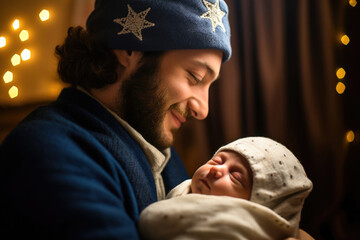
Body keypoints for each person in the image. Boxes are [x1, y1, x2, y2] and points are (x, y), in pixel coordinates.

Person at [0, 0, 231, 239]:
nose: (202, 110)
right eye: (195, 76)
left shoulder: (163, 157)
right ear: (130, 50)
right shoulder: (46, 150)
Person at [139, 137, 313, 240]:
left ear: (257, 207)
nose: (216, 170)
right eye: (217, 161)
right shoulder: (181, 190)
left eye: (235, 176)